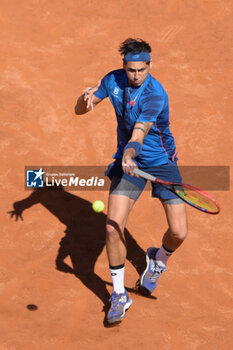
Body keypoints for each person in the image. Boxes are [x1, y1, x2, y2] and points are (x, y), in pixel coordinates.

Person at [75, 38, 188, 324]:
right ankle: (119, 295)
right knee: (113, 229)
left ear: (150, 65)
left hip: (161, 164)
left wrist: (129, 150)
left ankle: (158, 259)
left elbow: (140, 131)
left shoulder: (155, 94)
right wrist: (84, 99)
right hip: (129, 166)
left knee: (179, 232)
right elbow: (81, 109)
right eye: (131, 70)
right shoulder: (113, 80)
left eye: (141, 69)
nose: (136, 75)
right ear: (124, 66)